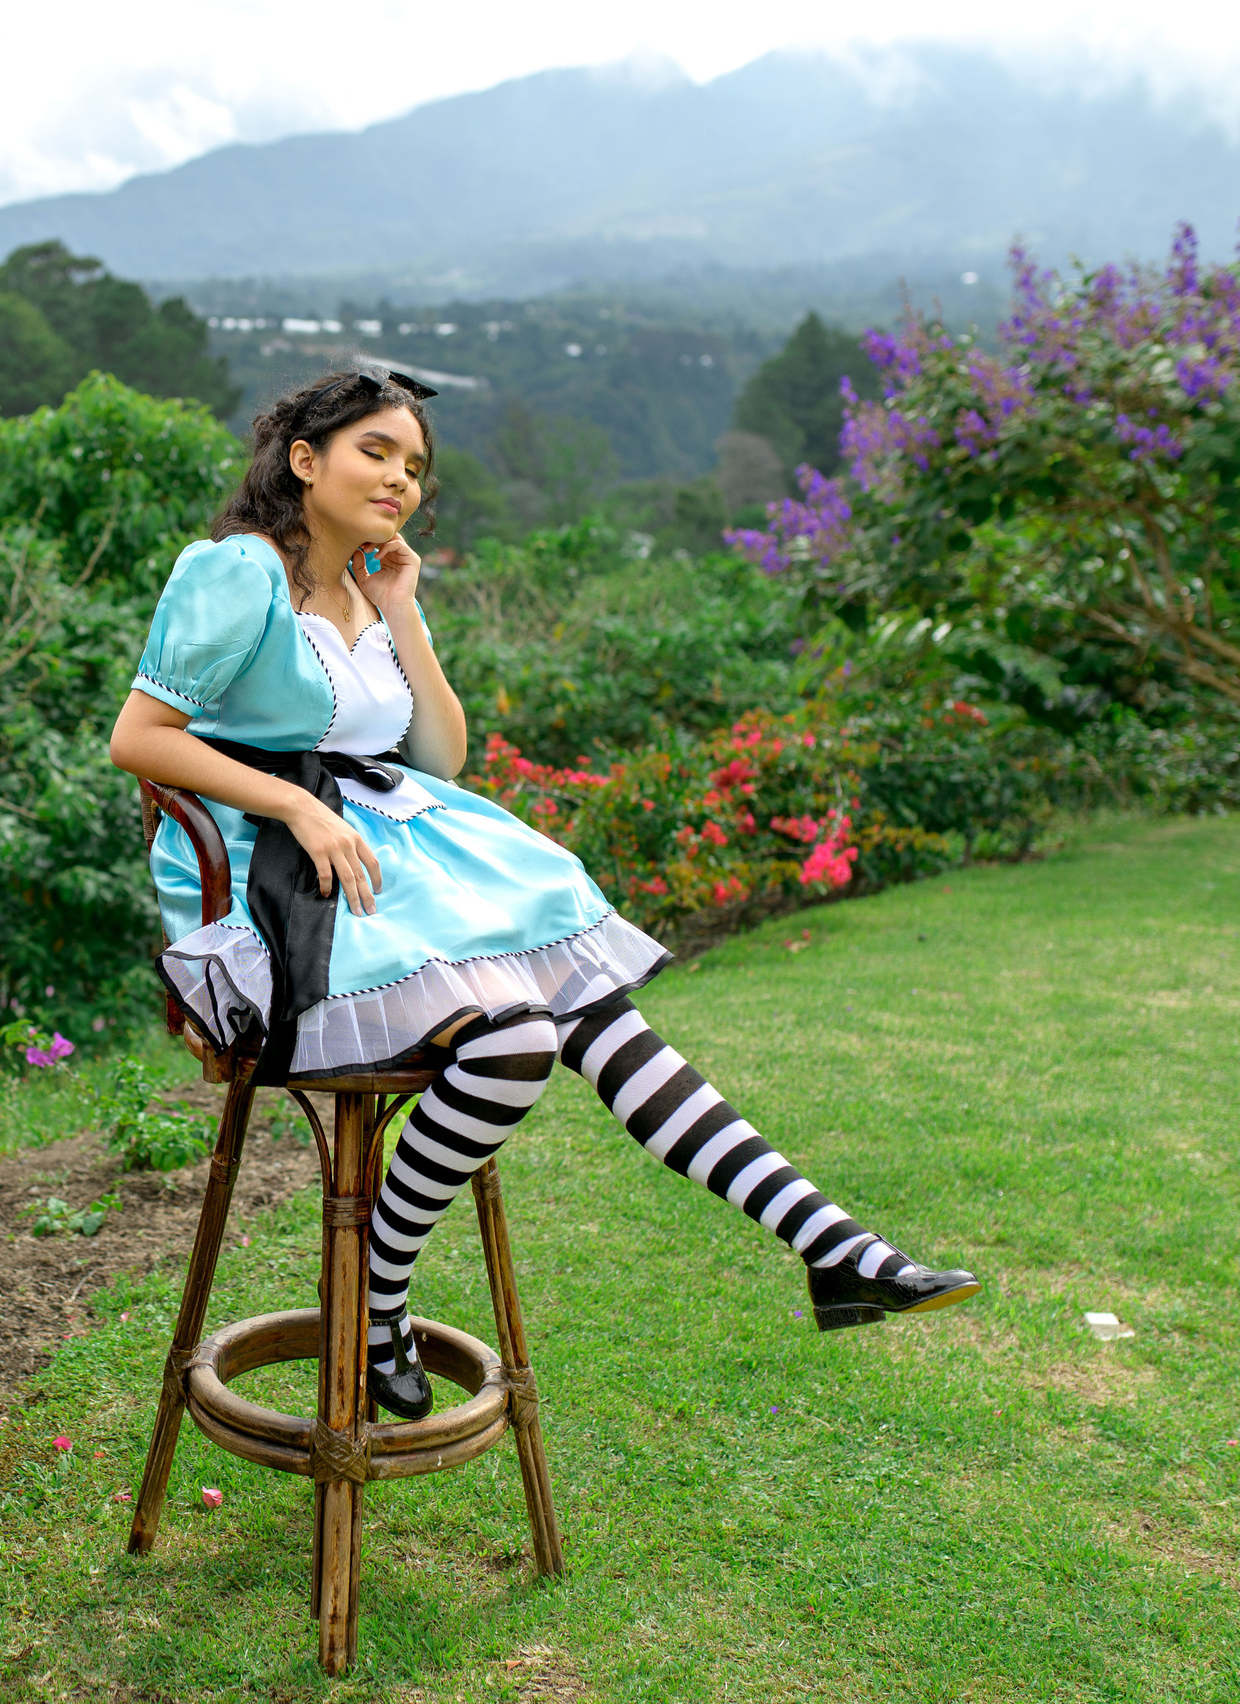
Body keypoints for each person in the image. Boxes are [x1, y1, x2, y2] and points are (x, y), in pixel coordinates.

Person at [107, 369, 980, 1421]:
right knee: (532, 1028)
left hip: (385, 860)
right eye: (375, 452)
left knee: (559, 1024)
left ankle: (826, 1242)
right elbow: (139, 739)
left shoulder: (363, 588)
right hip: (272, 878)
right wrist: (297, 809)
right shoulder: (234, 573)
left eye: (415, 466)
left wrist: (403, 614)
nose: (400, 480)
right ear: (304, 461)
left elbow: (436, 755)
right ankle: (389, 1295)